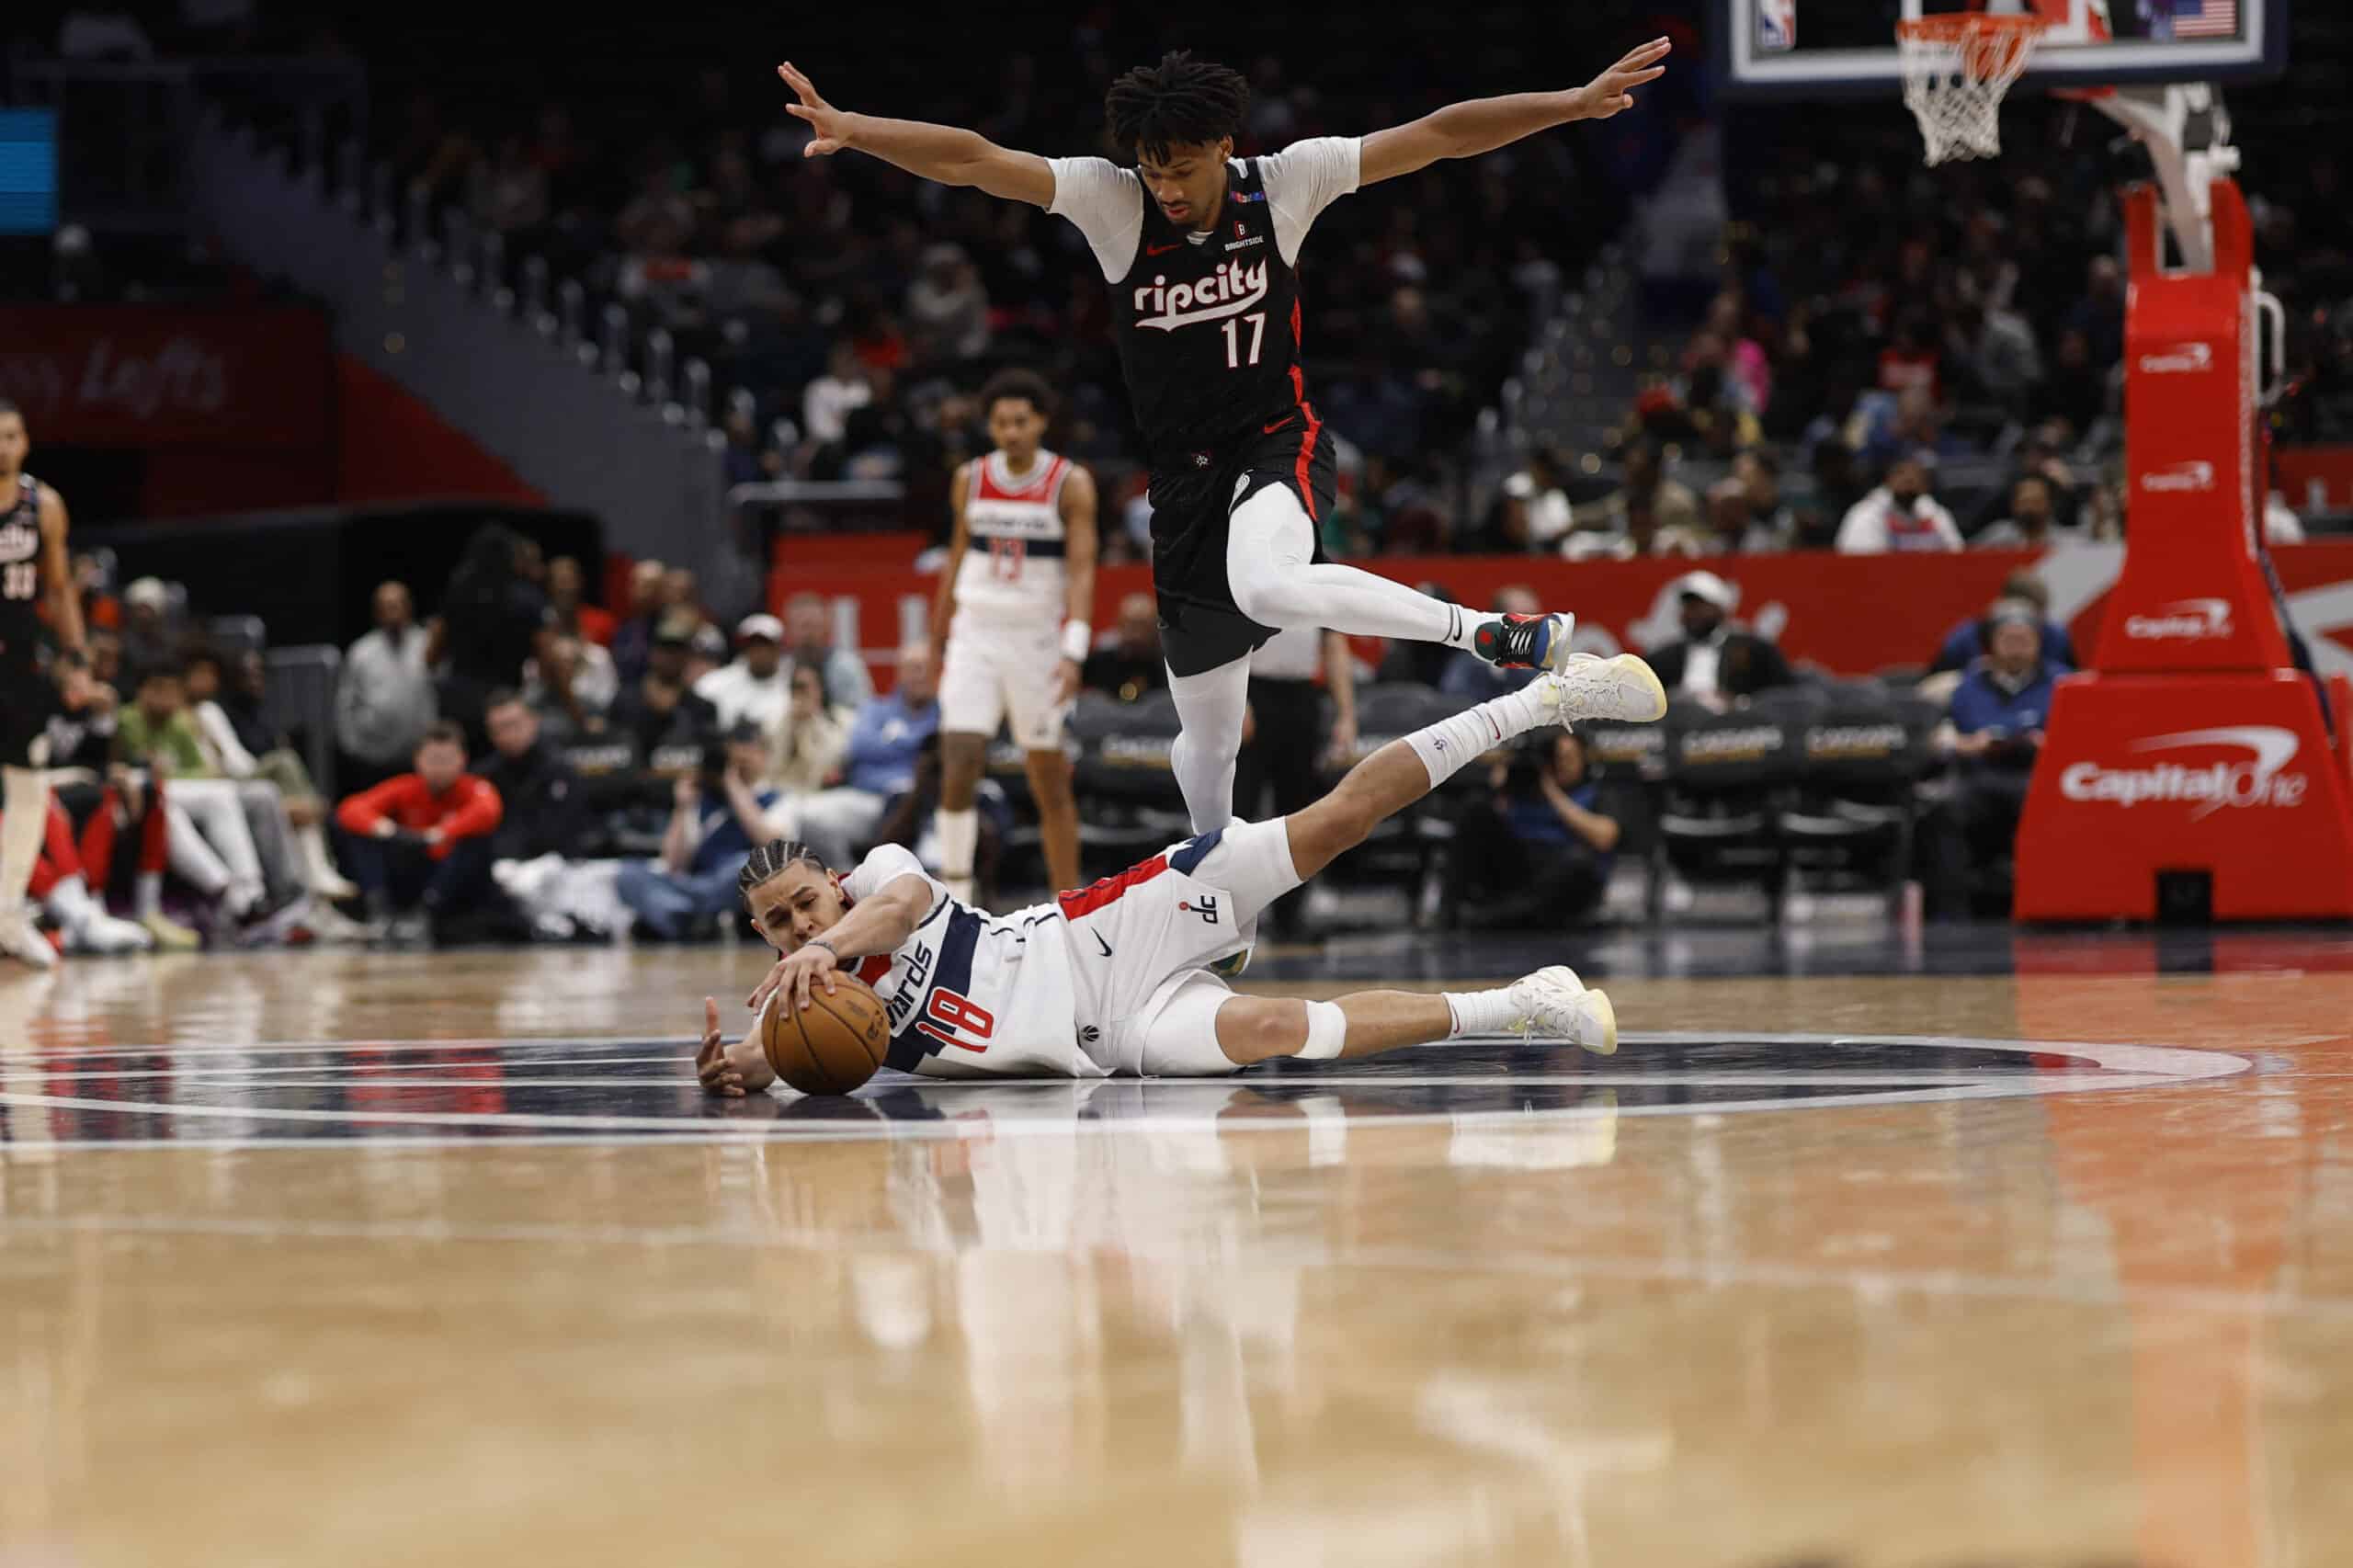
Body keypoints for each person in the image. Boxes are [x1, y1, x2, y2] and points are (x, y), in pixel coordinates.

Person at [771, 42, 1671, 838]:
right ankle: (1216, 875)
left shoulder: (1285, 184)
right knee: (1202, 741)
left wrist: (1568, 104)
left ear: (1224, 150)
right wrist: (854, 128)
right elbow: (974, 161)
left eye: (1183, 171)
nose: (1165, 188)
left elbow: (1435, 135)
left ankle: (1492, 634)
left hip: (1274, 441)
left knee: (1270, 582)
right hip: (1182, 484)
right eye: (1152, 170)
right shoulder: (1110, 202)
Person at [696, 658, 1663, 1096]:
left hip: (1115, 928)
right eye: (774, 925)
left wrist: (825, 941)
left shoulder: (877, 879)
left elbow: (904, 903)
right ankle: (1524, 1004)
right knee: (1288, 1032)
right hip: (1114, 1036)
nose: (793, 928)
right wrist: (734, 1069)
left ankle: (1543, 697)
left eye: (801, 903)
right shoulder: (798, 1006)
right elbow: (764, 1061)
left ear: (830, 882)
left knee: (1331, 821)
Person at [931, 369, 1097, 903]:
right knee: (957, 762)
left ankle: (1068, 904)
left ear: (1042, 422)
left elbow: (1083, 570)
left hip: (1037, 643)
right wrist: (936, 641)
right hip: (975, 634)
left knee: (1048, 779)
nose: (1011, 432)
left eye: (1021, 422)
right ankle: (955, 899)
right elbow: (956, 559)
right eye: (1001, 423)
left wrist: (1074, 649)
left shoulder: (1070, 482)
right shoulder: (970, 478)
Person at [0, 398, 88, 967]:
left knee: (30, 789)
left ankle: (7, 914)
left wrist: (76, 658)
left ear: (26, 441)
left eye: (11, 435)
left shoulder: (44, 505)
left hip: (22, 667)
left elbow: (57, 590)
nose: (3, 445)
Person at [1930, 605, 2058, 916]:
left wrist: (2050, 746)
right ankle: (1952, 913)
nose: (2016, 647)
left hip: (2036, 778)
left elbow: (2083, 739)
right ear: (1991, 643)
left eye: (2024, 639)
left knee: (2053, 809)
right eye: (2008, 639)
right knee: (1945, 809)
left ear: (2038, 642)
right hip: (1979, 775)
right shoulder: (1964, 686)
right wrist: (1967, 744)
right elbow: (1941, 737)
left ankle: (2048, 906)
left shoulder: (2062, 684)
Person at [1232, 624, 1356, 937]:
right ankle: (1226, 915)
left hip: (1302, 696)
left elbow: (1334, 646)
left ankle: (1290, 914)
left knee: (1299, 809)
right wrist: (1234, 699)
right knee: (1238, 810)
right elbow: (1224, 640)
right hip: (1251, 693)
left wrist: (1346, 714)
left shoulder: (1318, 578)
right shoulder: (1244, 576)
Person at [333, 722, 503, 946]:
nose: (439, 768)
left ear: (462, 760)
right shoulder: (405, 788)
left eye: (446, 760)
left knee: (476, 841)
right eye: (433, 760)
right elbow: (351, 809)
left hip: (450, 882)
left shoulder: (474, 788)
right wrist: (390, 831)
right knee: (360, 833)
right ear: (418, 760)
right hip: (409, 872)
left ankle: (426, 915)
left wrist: (440, 833)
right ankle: (379, 911)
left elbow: (489, 811)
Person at [618, 722, 784, 940]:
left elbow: (769, 843)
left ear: (764, 756)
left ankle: (676, 916)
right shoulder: (702, 800)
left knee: (748, 866)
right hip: (694, 880)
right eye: (733, 760)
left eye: (746, 758)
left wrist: (732, 785)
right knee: (628, 875)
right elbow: (673, 863)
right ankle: (694, 917)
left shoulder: (776, 798)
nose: (739, 766)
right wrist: (682, 807)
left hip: (733, 881)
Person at [783, 642, 939, 868]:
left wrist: (891, 743)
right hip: (870, 799)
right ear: (900, 673)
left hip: (928, 809)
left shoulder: (947, 714)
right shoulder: (876, 708)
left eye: (926, 668)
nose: (920, 675)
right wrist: (917, 743)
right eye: (913, 668)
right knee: (809, 817)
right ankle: (851, 889)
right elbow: (860, 746)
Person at [1448, 728, 1620, 929]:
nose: (1561, 764)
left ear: (1584, 758)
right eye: (1554, 758)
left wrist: (1551, 791)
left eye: (1567, 758)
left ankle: (1494, 916)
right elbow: (1491, 825)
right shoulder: (1524, 785)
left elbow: (1606, 837)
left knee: (1579, 864)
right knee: (1476, 809)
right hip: (1519, 864)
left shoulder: (1594, 791)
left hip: (1561, 872)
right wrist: (1500, 786)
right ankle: (1452, 912)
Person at [336, 580, 437, 791]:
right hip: (374, 757)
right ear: (377, 612)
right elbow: (345, 702)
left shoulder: (427, 644)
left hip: (420, 754)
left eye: (396, 604)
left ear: (408, 607)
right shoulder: (361, 652)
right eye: (385, 606)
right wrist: (352, 746)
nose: (392, 611)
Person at [1641, 571, 1792, 709]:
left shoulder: (1754, 649)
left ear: (1720, 608)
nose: (1692, 614)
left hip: (1739, 729)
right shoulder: (1666, 656)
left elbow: (1784, 692)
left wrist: (1741, 702)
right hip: (1677, 729)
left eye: (1700, 606)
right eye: (1688, 607)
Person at [1931, 570, 2077, 675]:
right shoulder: (1964, 638)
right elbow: (1935, 679)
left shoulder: (2057, 636)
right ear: (2002, 604)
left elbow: (2072, 676)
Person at [1836, 456, 1962, 553]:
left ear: (1926, 485)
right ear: (1888, 480)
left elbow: (1955, 554)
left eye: (1916, 475)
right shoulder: (1866, 514)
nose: (1909, 480)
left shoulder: (1936, 513)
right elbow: (1863, 563)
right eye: (1901, 473)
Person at [694, 612, 792, 739]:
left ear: (779, 648)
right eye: (754, 645)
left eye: (766, 645)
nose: (760, 652)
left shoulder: (791, 687)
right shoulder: (716, 682)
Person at [782, 591, 875, 712]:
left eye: (813, 625)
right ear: (789, 629)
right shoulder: (781, 668)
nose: (808, 633)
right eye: (802, 626)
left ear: (826, 626)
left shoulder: (847, 665)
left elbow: (864, 713)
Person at [1081, 592, 1167, 703]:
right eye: (1130, 625)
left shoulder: (1169, 664)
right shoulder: (1101, 660)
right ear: (1118, 624)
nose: (1136, 633)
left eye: (1142, 625)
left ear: (1156, 627)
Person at [1972, 474, 2081, 551]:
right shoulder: (1996, 537)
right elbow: (1967, 559)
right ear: (2014, 504)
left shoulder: (2068, 542)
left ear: (2050, 504)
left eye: (2036, 501)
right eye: (2024, 501)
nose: (2029, 508)